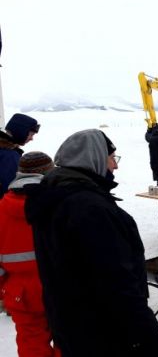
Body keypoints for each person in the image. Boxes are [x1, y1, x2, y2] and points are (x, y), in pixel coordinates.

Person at [23, 129, 158, 356]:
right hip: (104, 335)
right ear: (93, 158)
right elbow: (117, 287)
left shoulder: (54, 196)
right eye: (112, 158)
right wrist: (154, 343)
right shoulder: (89, 209)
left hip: (72, 327)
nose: (115, 166)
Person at [0, 152, 59, 357]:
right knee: (68, 340)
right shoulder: (60, 204)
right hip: (60, 287)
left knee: (31, 345)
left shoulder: (1, 209)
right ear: (49, 172)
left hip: (21, 294)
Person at [1, 113, 40, 198]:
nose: (31, 139)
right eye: (31, 134)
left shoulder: (6, 151)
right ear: (21, 131)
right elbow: (10, 189)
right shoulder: (9, 156)